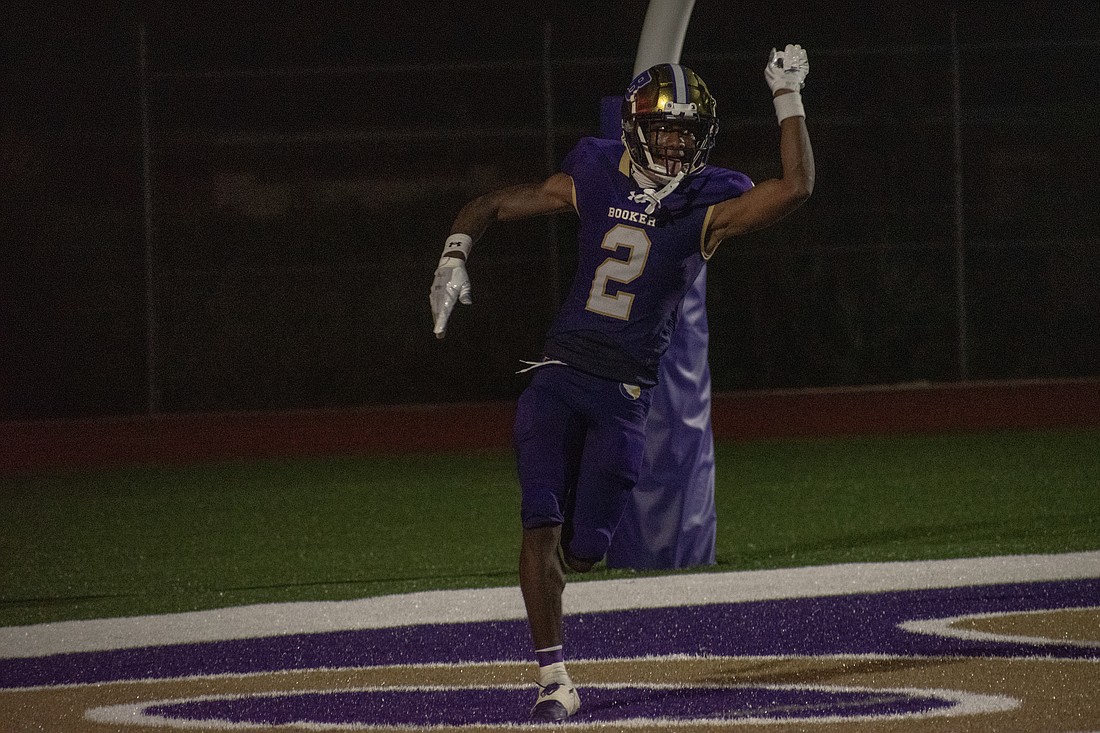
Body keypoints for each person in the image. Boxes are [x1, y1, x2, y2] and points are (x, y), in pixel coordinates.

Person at [430, 45, 813, 722]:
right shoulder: (595, 172)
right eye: (663, 129)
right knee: (539, 517)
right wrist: (453, 257)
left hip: (625, 395)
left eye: (684, 133)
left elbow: (797, 187)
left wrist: (788, 97)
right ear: (634, 127)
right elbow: (489, 202)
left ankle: (573, 560)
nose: (672, 143)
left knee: (583, 551)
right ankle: (553, 677)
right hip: (558, 372)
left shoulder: (707, 203)